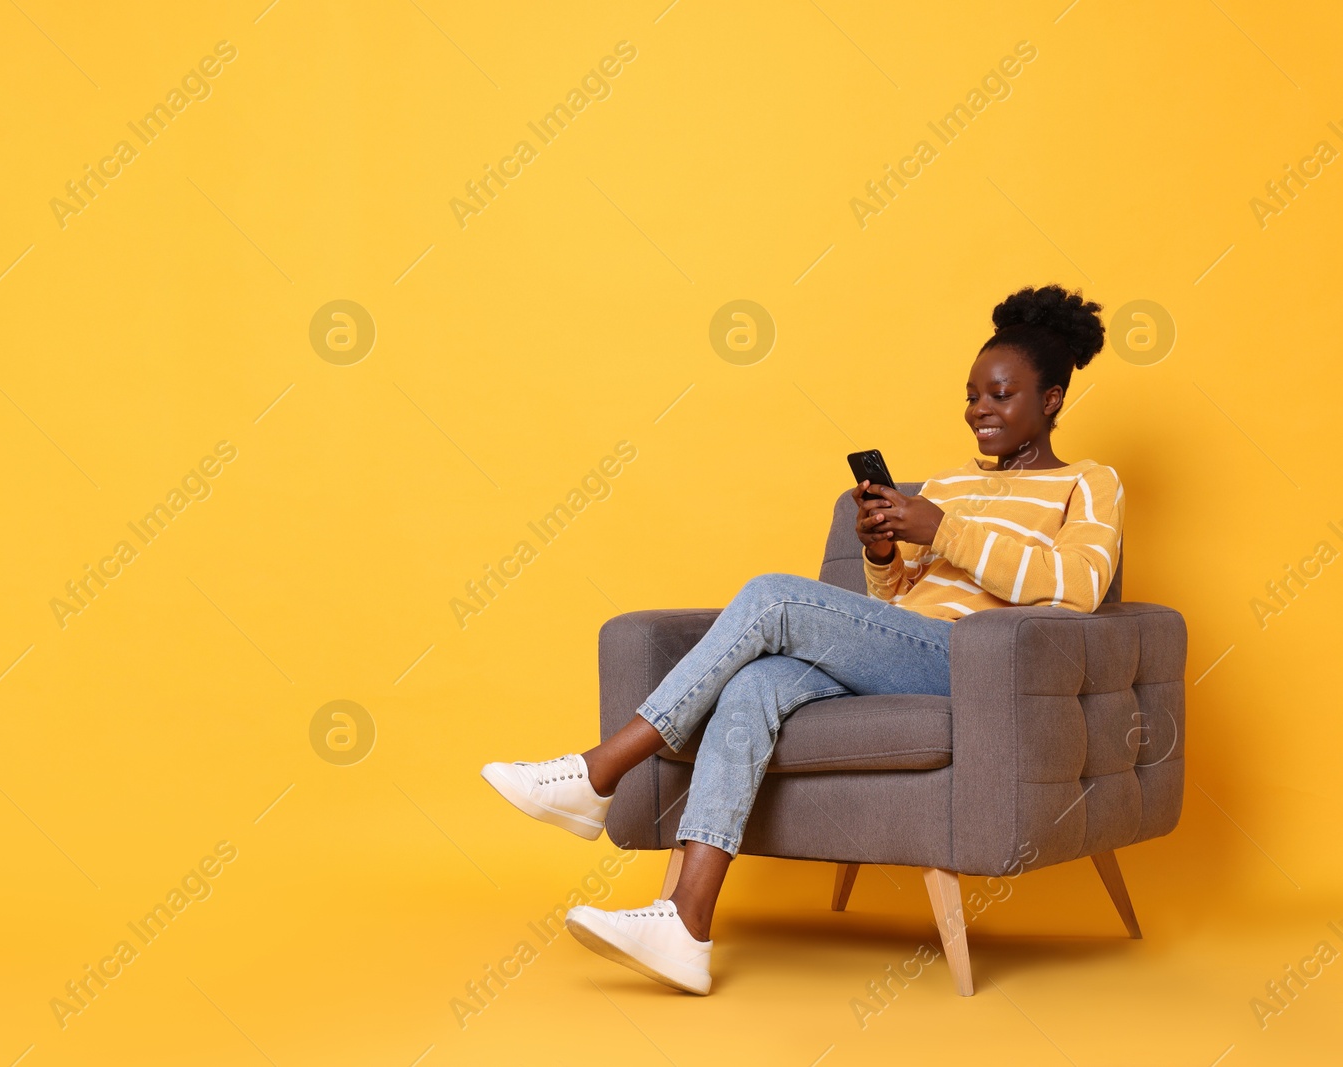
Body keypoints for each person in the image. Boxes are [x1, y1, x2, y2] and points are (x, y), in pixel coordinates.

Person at [481, 283, 1125, 994]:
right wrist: (883, 553)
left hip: (975, 665)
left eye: (1000, 396)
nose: (979, 410)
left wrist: (942, 527)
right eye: (972, 395)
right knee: (756, 683)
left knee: (771, 595)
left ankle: (600, 771)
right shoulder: (947, 485)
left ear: (1053, 400)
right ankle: (686, 924)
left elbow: (1078, 584)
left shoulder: (1089, 483)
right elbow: (900, 598)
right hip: (905, 647)